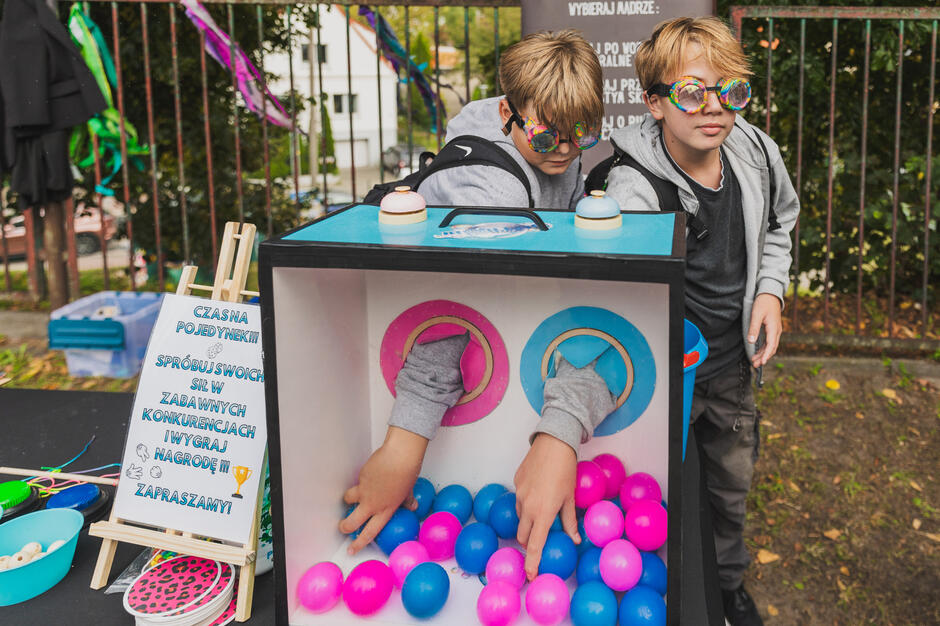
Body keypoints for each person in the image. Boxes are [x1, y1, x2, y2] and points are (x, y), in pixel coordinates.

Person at [339, 29, 613, 582]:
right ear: (508, 112)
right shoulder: (494, 195)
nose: (564, 149)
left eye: (582, 134)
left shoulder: (551, 133)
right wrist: (401, 448)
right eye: (548, 134)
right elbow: (455, 313)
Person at [603, 17, 799, 626]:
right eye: (691, 92)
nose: (713, 108)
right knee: (660, 491)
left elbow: (779, 227)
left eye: (730, 90)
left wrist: (771, 293)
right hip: (670, 378)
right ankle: (670, 590)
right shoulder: (632, 190)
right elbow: (621, 300)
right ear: (654, 102)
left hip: (734, 371)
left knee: (729, 489)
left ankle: (727, 584)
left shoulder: (757, 152)